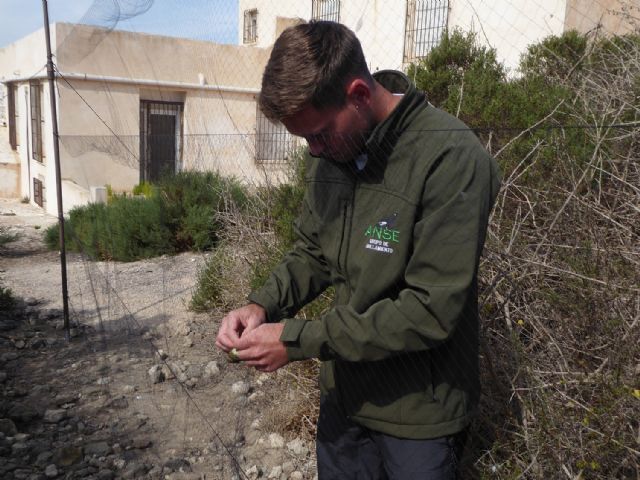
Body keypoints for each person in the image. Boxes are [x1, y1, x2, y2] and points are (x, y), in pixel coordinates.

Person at [216, 20, 501, 479]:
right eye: (305, 139)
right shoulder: (334, 152)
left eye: (320, 134)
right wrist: (261, 304)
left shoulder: (452, 158)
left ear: (359, 95)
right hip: (346, 397)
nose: (313, 151)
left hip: (418, 417)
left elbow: (430, 312)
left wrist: (297, 340)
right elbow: (313, 251)